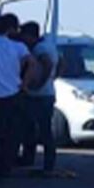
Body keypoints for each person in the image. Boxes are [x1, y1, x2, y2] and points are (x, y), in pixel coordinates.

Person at [0, 13, 32, 179]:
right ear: (11, 29)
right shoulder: (19, 47)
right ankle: (6, 167)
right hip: (14, 94)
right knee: (12, 136)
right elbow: (32, 63)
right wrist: (24, 83)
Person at [17, 21, 58, 172]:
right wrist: (53, 79)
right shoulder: (49, 45)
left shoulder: (39, 48)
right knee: (34, 128)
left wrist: (40, 83)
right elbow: (61, 63)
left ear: (30, 36)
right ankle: (31, 158)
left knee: (42, 130)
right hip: (47, 93)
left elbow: (47, 63)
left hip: (40, 95)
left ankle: (46, 164)